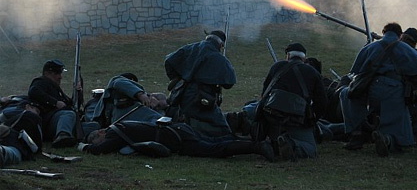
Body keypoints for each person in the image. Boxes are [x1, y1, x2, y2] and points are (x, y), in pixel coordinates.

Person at [340, 22, 417, 156]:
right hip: (396, 92)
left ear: (384, 32)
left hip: (370, 90)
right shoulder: (410, 51)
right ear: (399, 35)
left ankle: (357, 135)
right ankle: (387, 140)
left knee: (345, 93)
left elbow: (356, 73)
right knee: (400, 133)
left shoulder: (370, 47)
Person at [255, 43, 327, 161]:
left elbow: (264, 94)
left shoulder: (276, 67)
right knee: (311, 149)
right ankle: (292, 145)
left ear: (288, 56)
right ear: (304, 58)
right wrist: (311, 120)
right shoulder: (312, 72)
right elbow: (322, 103)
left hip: (272, 116)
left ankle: (270, 142)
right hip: (297, 119)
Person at [78, 120, 274, 162]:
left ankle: (256, 146)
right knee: (212, 140)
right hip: (178, 129)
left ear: (101, 133)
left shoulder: (113, 133)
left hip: (175, 138)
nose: (100, 142)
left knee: (214, 148)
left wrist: (83, 146)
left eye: (97, 139)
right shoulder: (122, 126)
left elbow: (101, 150)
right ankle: (251, 139)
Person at [164, 30, 236, 137]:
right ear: (221, 45)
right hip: (201, 98)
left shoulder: (190, 48)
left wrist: (178, 77)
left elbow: (169, 61)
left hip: (180, 94)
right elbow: (229, 83)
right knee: (223, 130)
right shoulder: (219, 58)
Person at [27, 59, 78, 148]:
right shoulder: (41, 81)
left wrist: (78, 91)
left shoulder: (55, 87)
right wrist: (55, 103)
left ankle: (68, 134)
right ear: (47, 73)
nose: (60, 77)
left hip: (62, 122)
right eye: (57, 74)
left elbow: (70, 104)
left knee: (92, 126)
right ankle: (62, 136)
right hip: (48, 122)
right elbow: (33, 91)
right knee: (68, 114)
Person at [91, 73, 165, 128]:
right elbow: (119, 82)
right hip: (116, 123)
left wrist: (154, 105)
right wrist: (141, 94)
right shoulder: (117, 82)